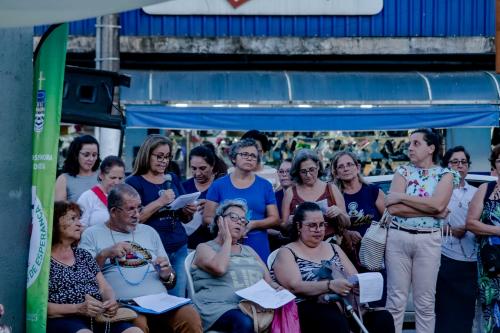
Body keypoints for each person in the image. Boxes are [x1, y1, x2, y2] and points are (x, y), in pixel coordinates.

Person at [80, 184, 202, 333]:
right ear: (113, 211)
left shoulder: (149, 231)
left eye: (139, 207)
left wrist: (166, 274)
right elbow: (83, 277)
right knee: (138, 322)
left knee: (189, 315)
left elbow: (170, 282)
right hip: (124, 304)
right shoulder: (92, 234)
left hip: (160, 302)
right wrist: (104, 254)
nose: (137, 214)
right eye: (131, 209)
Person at [272, 202, 394, 333]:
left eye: (322, 225)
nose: (318, 230)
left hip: (345, 305)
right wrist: (329, 285)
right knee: (332, 318)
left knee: (383, 318)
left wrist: (359, 285)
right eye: (312, 225)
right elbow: (294, 286)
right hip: (308, 307)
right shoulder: (287, 252)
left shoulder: (333, 247)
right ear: (298, 226)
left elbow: (353, 276)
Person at [384, 129, 458, 333]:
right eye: (410, 143)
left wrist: (402, 197)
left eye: (416, 143)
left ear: (431, 148)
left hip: (428, 241)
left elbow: (436, 205)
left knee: (425, 302)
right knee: (395, 301)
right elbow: (393, 208)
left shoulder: (447, 174)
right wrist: (432, 209)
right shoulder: (402, 171)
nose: (410, 147)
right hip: (398, 237)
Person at [48, 201, 141, 333]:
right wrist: (78, 308)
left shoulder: (83, 255)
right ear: (55, 222)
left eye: (79, 219)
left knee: (134, 331)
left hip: (98, 317)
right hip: (64, 319)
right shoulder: (44, 262)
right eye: (73, 218)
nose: (79, 224)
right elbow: (41, 306)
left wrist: (110, 301)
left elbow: (104, 287)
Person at [191, 199, 281, 333]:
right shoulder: (205, 248)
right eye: (233, 217)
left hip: (253, 308)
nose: (239, 221)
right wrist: (227, 239)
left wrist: (282, 292)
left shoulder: (249, 251)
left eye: (243, 220)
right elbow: (219, 268)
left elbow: (268, 283)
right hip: (219, 308)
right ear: (219, 221)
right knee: (244, 322)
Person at [126, 134, 196, 297]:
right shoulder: (133, 182)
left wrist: (188, 211)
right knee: (152, 295)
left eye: (167, 157)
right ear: (146, 155)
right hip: (150, 250)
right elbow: (134, 219)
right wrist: (160, 202)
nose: (163, 161)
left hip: (178, 246)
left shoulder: (172, 178)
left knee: (177, 295)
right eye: (159, 156)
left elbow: (185, 218)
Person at [204, 138, 280, 261]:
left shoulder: (265, 185)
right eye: (244, 154)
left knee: (259, 277)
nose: (249, 158)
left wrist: (253, 224)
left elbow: (275, 219)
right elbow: (207, 218)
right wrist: (228, 226)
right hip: (225, 245)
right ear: (233, 158)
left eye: (253, 156)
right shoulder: (218, 185)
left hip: (257, 245)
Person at [434, 146, 478, 333]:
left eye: (463, 162)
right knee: (444, 312)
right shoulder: (437, 192)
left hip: (472, 259)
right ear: (446, 166)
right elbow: (424, 224)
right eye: (454, 162)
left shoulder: (477, 192)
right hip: (443, 258)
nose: (459, 166)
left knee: (466, 313)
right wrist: (450, 230)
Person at [466, 144, 500, 333]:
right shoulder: (485, 190)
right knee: (490, 308)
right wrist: (497, 231)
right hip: (491, 263)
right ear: (494, 165)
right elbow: (471, 223)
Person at [281, 149, 350, 242]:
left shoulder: (331, 189)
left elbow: (347, 223)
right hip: (301, 246)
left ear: (318, 166)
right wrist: (289, 222)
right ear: (297, 171)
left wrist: (339, 213)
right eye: (303, 171)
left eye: (311, 170)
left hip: (330, 243)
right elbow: (283, 227)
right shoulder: (291, 193)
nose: (308, 175)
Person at [182, 145, 217, 249]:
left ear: (212, 165)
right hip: (187, 246)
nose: (197, 173)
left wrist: (213, 207)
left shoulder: (221, 186)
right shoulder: (183, 187)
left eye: (202, 168)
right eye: (193, 168)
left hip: (213, 246)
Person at [78, 156, 125, 228]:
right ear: (101, 175)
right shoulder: (87, 197)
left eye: (120, 178)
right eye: (113, 178)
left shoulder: (125, 197)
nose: (117, 182)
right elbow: (80, 227)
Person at [55, 135, 100, 202]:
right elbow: (59, 210)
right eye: (86, 155)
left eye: (94, 155)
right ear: (75, 154)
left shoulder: (103, 175)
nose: (91, 159)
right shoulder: (63, 179)